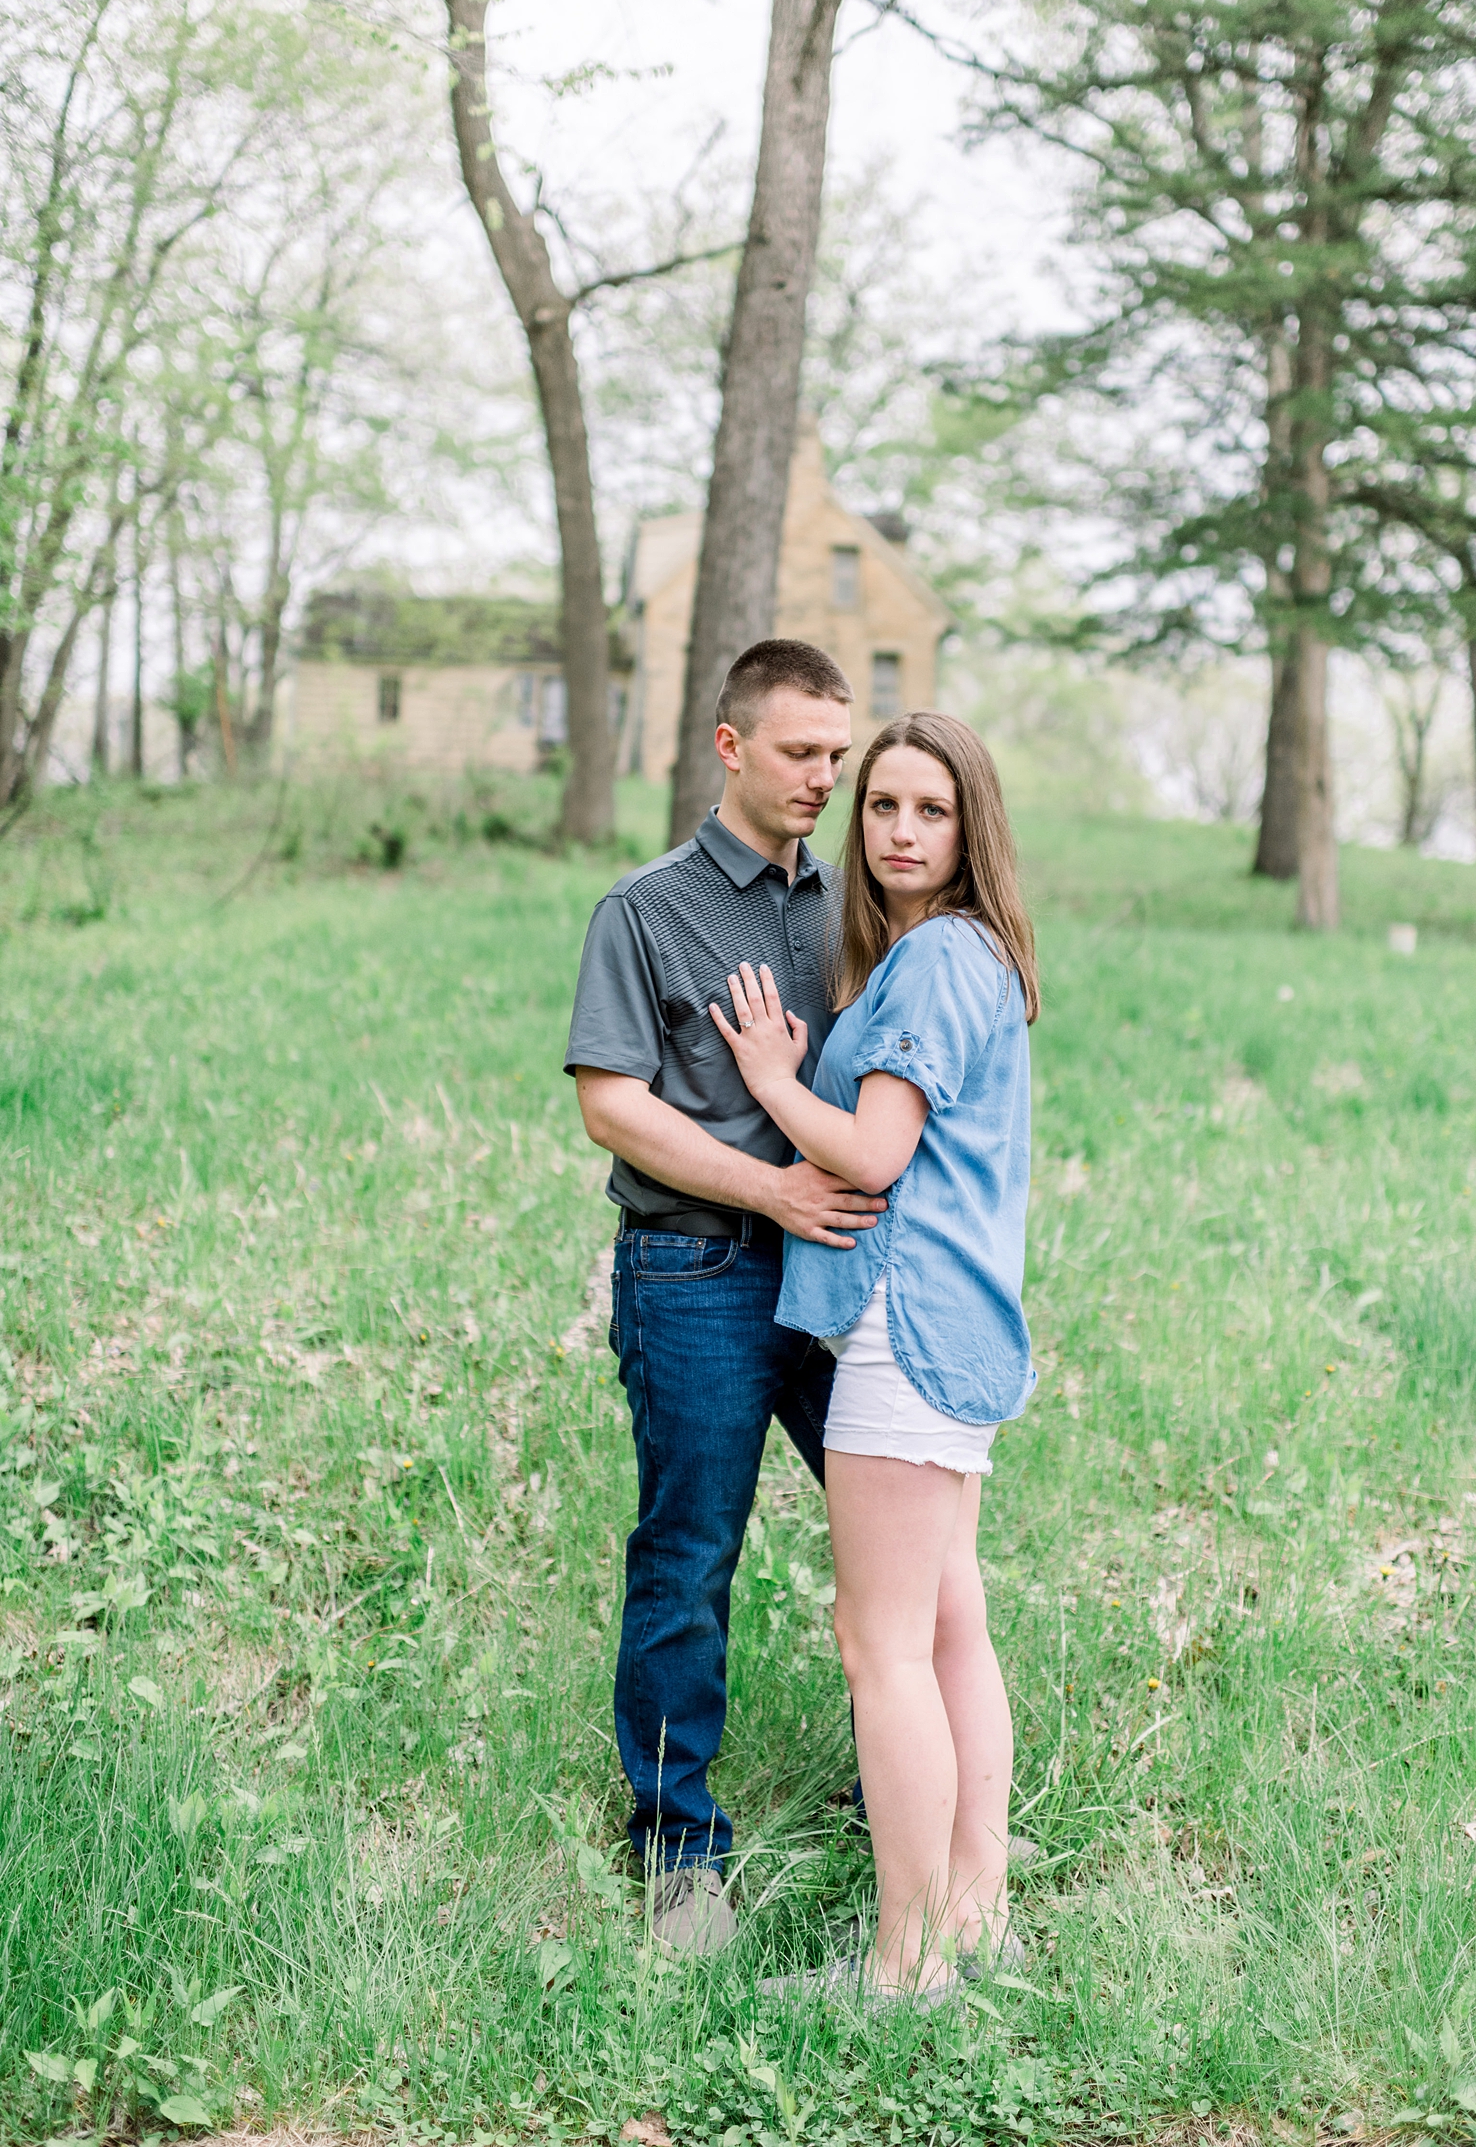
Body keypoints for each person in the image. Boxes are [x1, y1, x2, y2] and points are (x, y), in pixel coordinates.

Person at [565, 637, 888, 1956]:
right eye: (802, 751)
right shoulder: (644, 909)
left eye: (837, 753)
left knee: (897, 1545)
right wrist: (768, 1194)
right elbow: (610, 1103)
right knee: (690, 1560)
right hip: (693, 1269)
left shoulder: (857, 905)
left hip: (842, 1278)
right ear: (730, 746)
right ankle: (677, 1853)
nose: (825, 776)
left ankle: (905, 1803)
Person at [710, 709, 1038, 2000]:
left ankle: (904, 1966)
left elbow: (875, 1155)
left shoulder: (937, 961)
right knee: (950, 1630)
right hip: (948, 1325)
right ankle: (972, 1919)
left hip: (905, 1329)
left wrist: (774, 1078)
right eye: (884, 806)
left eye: (931, 810)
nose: (901, 831)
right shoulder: (963, 956)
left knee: (882, 1644)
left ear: (972, 829)